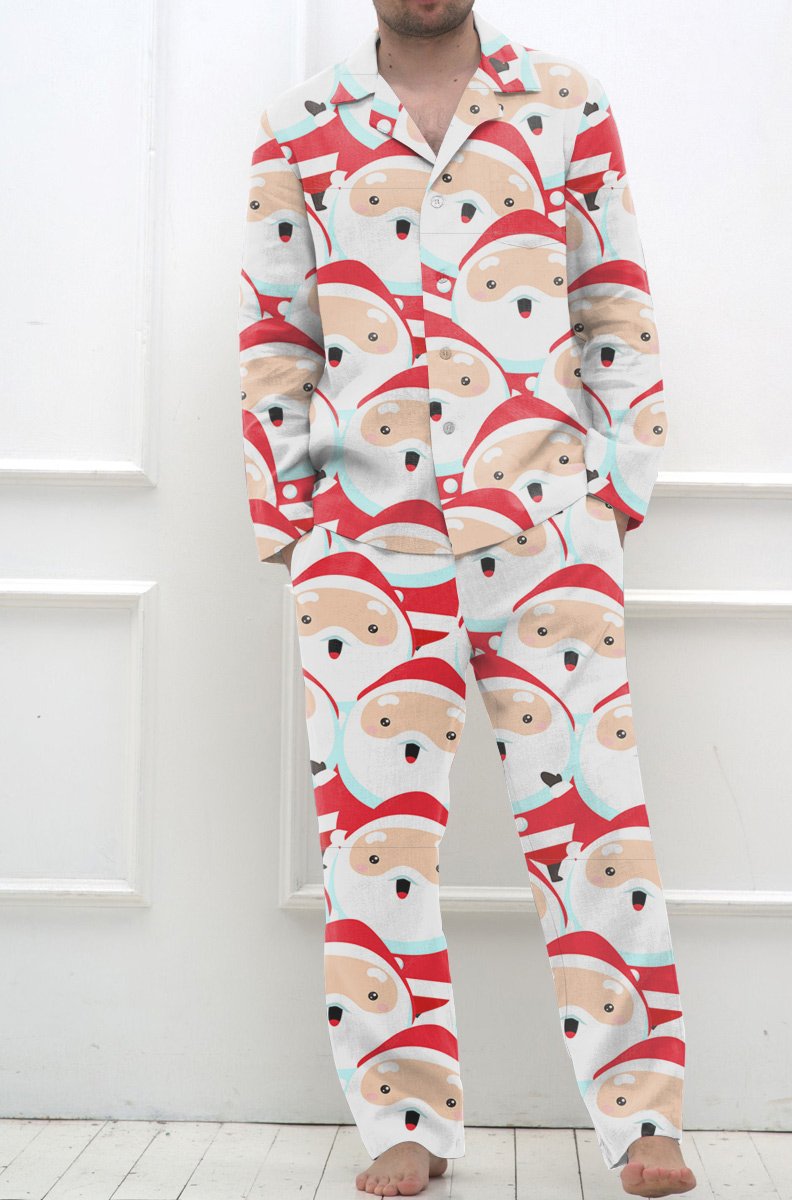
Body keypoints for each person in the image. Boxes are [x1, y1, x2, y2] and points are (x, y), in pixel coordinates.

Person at [238, 2, 694, 1196]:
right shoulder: (300, 126)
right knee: (372, 842)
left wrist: (613, 494)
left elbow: (615, 306)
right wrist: (297, 524)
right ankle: (404, 1118)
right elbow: (276, 336)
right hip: (365, 544)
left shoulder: (566, 101)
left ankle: (644, 1116)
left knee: (595, 824)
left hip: (546, 529)